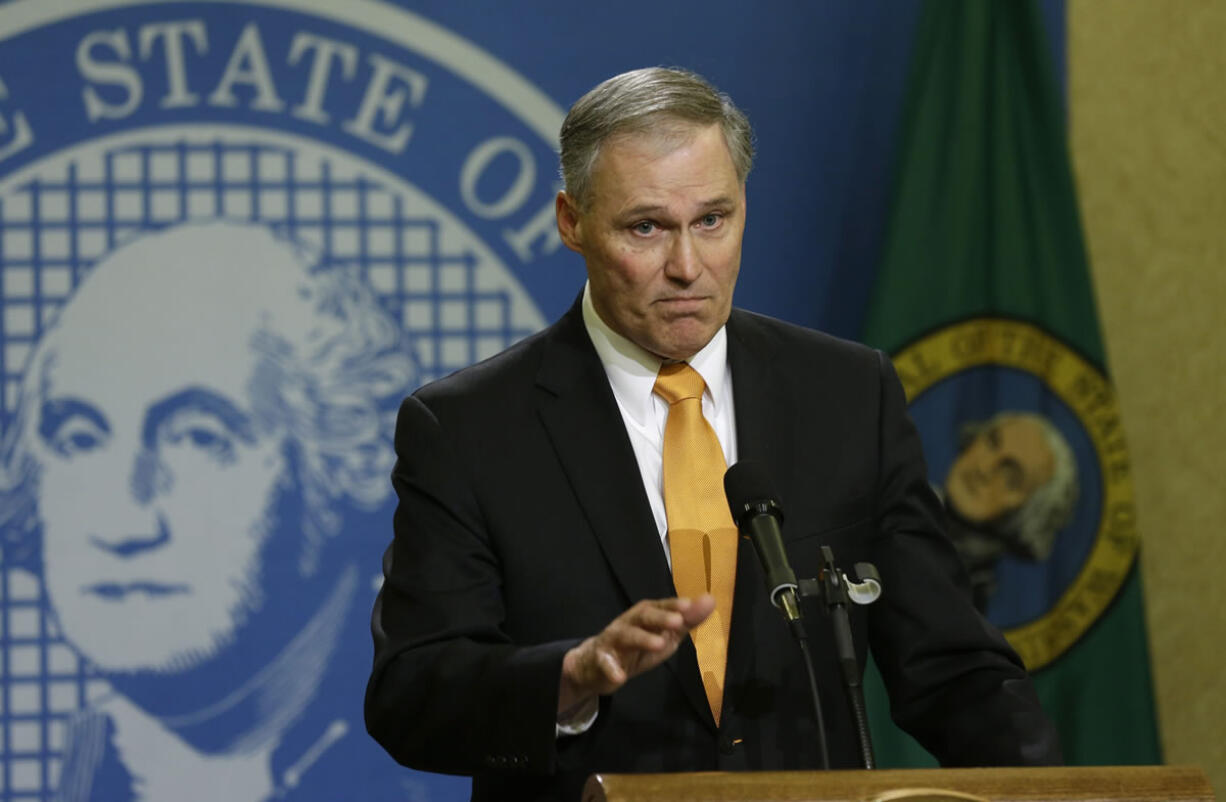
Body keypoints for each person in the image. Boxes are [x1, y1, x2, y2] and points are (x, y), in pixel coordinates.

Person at [365, 67, 1061, 802]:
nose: (688, 267)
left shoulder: (848, 395)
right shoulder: (470, 427)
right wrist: (567, 681)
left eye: (712, 221)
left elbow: (953, 668)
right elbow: (411, 695)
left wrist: (1064, 795)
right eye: (646, 228)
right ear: (572, 222)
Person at [0, 221, 435, 801]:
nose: (123, 521)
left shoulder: (443, 765)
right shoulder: (83, 767)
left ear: (343, 462)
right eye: (79, 438)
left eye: (199, 437)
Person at [942, 412, 1079, 610]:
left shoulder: (964, 605)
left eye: (1010, 476)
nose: (983, 468)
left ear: (1030, 515)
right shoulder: (895, 509)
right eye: (991, 443)